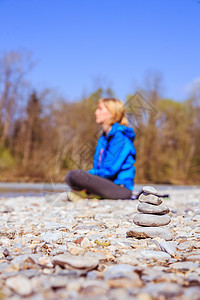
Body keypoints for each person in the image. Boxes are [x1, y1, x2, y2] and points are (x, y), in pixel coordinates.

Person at [66, 97, 136, 200]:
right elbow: (99, 168)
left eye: (100, 109)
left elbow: (111, 170)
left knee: (75, 175)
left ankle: (88, 193)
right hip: (107, 183)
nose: (95, 112)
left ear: (112, 113)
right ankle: (89, 193)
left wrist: (88, 175)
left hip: (121, 189)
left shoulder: (120, 138)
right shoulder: (103, 138)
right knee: (70, 177)